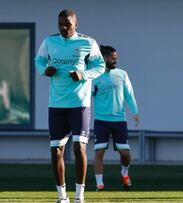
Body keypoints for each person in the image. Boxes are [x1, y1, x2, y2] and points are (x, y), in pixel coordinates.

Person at [35, 10, 105, 203]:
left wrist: (83, 75)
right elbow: (39, 61)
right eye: (60, 24)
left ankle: (79, 196)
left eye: (68, 24)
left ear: (76, 24)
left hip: (79, 103)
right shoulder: (49, 42)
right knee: (56, 149)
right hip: (56, 103)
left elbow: (100, 66)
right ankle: (61, 196)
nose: (64, 28)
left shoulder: (87, 43)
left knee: (79, 147)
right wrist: (44, 70)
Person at [92, 45, 140, 191]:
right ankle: (99, 184)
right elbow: (86, 98)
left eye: (116, 58)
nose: (115, 61)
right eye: (113, 58)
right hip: (101, 121)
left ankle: (124, 174)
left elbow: (129, 95)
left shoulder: (122, 74)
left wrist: (135, 112)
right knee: (99, 152)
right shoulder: (94, 77)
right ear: (104, 58)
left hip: (119, 121)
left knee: (125, 154)